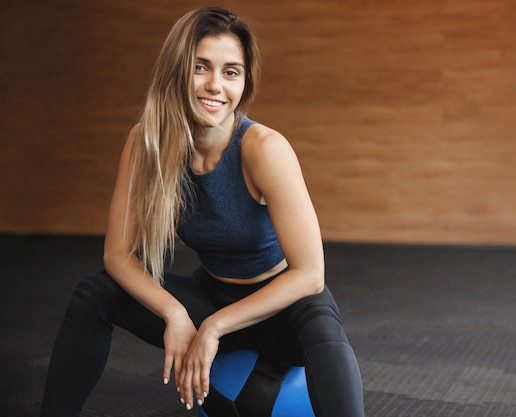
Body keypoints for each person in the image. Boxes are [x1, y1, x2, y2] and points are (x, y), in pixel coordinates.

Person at [39, 7, 364, 417]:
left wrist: (215, 326)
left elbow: (310, 273)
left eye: (231, 72)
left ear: (244, 83)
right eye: (201, 67)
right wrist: (176, 313)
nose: (215, 85)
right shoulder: (147, 144)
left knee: (324, 328)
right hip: (208, 297)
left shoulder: (264, 149)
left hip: (280, 309)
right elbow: (117, 254)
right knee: (95, 293)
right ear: (177, 71)